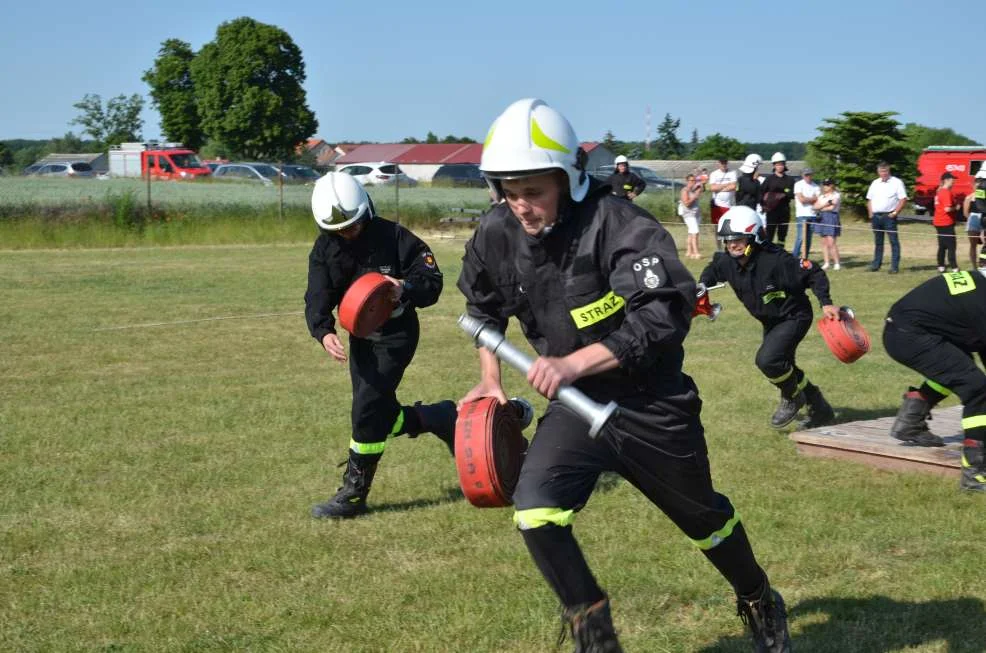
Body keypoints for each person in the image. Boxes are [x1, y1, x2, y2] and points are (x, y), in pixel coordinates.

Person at [459, 98, 791, 652]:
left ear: (568, 179)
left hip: (652, 402)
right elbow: (481, 309)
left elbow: (662, 315)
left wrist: (572, 362)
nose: (521, 206)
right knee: (536, 508)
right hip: (576, 406)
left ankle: (758, 595)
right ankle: (593, 630)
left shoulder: (619, 223)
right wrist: (491, 379)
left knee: (704, 521)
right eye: (509, 192)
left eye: (534, 192)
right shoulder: (498, 231)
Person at [304, 172, 461, 519]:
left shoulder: (396, 237)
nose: (348, 233)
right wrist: (323, 330)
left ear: (367, 210)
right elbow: (317, 294)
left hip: (396, 335)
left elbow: (432, 281)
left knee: (365, 409)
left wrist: (403, 286)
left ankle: (353, 493)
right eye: (340, 230)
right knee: (376, 412)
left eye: (354, 225)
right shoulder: (325, 249)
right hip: (360, 337)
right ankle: (437, 417)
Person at [699, 206, 839, 430]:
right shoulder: (726, 261)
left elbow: (814, 272)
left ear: (753, 237)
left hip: (794, 316)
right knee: (785, 366)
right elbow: (712, 270)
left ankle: (792, 397)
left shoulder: (778, 261)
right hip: (770, 320)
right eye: (727, 240)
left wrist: (826, 302)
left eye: (738, 239)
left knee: (768, 360)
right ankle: (820, 408)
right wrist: (701, 287)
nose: (732, 245)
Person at [883, 269, 986, 492]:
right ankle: (974, 473)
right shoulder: (982, 300)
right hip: (908, 336)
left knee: (959, 368)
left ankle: (910, 423)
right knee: (976, 387)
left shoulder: (977, 281)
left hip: (903, 330)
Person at [866, 162, 908, 274]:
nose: (883, 173)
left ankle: (894, 266)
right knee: (878, 242)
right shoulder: (875, 183)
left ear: (889, 171)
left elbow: (903, 199)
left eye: (885, 171)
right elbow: (869, 199)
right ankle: (876, 264)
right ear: (878, 172)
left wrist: (895, 212)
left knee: (893, 242)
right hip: (876, 216)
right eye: (881, 171)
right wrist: (871, 214)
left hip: (889, 216)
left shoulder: (896, 182)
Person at [761, 153, 796, 247]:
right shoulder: (769, 179)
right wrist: (764, 205)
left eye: (781, 164)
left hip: (784, 211)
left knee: (782, 235)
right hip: (771, 211)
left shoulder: (790, 180)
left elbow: (792, 195)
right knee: (769, 234)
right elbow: (761, 193)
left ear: (785, 165)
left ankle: (780, 253)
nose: (780, 166)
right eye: (777, 164)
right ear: (774, 165)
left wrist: (782, 194)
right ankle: (768, 254)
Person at [812, 179, 842, 270]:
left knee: (831, 241)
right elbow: (815, 207)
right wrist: (826, 203)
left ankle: (837, 263)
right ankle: (826, 262)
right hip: (822, 218)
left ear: (832, 186)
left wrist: (821, 207)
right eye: (824, 185)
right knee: (824, 241)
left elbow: (832, 207)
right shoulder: (822, 196)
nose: (825, 187)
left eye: (828, 185)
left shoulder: (836, 195)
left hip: (831, 217)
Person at [933, 172, 959, 273]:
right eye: (953, 179)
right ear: (947, 180)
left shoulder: (939, 191)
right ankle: (954, 267)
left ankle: (941, 265)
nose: (954, 181)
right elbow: (947, 209)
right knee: (951, 245)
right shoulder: (945, 192)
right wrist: (956, 207)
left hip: (938, 222)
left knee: (942, 245)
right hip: (946, 222)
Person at [792, 168, 820, 259]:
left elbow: (818, 200)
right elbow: (802, 200)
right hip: (802, 215)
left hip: (813, 214)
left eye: (809, 175)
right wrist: (812, 199)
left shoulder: (816, 186)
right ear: (803, 175)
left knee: (808, 239)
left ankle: (805, 258)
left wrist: (808, 199)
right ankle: (794, 257)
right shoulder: (798, 185)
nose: (808, 177)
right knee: (800, 238)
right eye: (806, 175)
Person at [964, 167, 986, 269]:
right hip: (973, 220)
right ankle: (974, 267)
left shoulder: (983, 196)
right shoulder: (969, 197)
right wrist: (971, 221)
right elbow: (965, 212)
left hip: (983, 219)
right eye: (976, 184)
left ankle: (983, 263)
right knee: (973, 245)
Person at [678, 172, 704, 259]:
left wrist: (700, 187)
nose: (693, 182)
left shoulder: (694, 189)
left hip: (696, 214)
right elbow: (686, 203)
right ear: (687, 181)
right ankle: (696, 253)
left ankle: (689, 252)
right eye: (691, 180)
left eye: (694, 180)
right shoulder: (684, 190)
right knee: (695, 233)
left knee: (691, 233)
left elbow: (702, 188)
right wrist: (695, 196)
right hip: (689, 215)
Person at [708, 157, 738, 228]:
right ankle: (718, 239)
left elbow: (733, 186)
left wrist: (719, 188)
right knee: (717, 225)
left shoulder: (732, 172)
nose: (724, 165)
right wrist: (726, 184)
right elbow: (712, 188)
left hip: (730, 204)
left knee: (729, 225)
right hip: (717, 204)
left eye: (725, 163)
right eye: (722, 163)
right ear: (719, 164)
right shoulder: (714, 174)